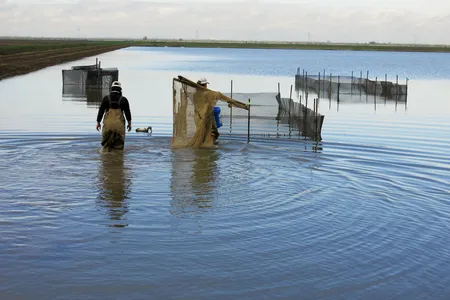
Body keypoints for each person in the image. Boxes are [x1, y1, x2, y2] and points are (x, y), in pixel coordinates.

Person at [96, 81, 132, 151]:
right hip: (119, 126)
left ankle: (105, 160)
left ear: (111, 89)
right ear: (120, 90)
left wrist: (98, 122)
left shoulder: (106, 99)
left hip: (108, 126)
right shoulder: (124, 100)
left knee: (105, 148)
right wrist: (129, 124)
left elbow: (101, 111)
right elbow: (127, 113)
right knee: (118, 149)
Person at [197, 78, 220, 142]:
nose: (206, 86)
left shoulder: (195, 94)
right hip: (207, 116)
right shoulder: (207, 94)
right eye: (206, 85)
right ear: (203, 85)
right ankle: (210, 143)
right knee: (213, 131)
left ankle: (205, 143)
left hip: (199, 116)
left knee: (204, 132)